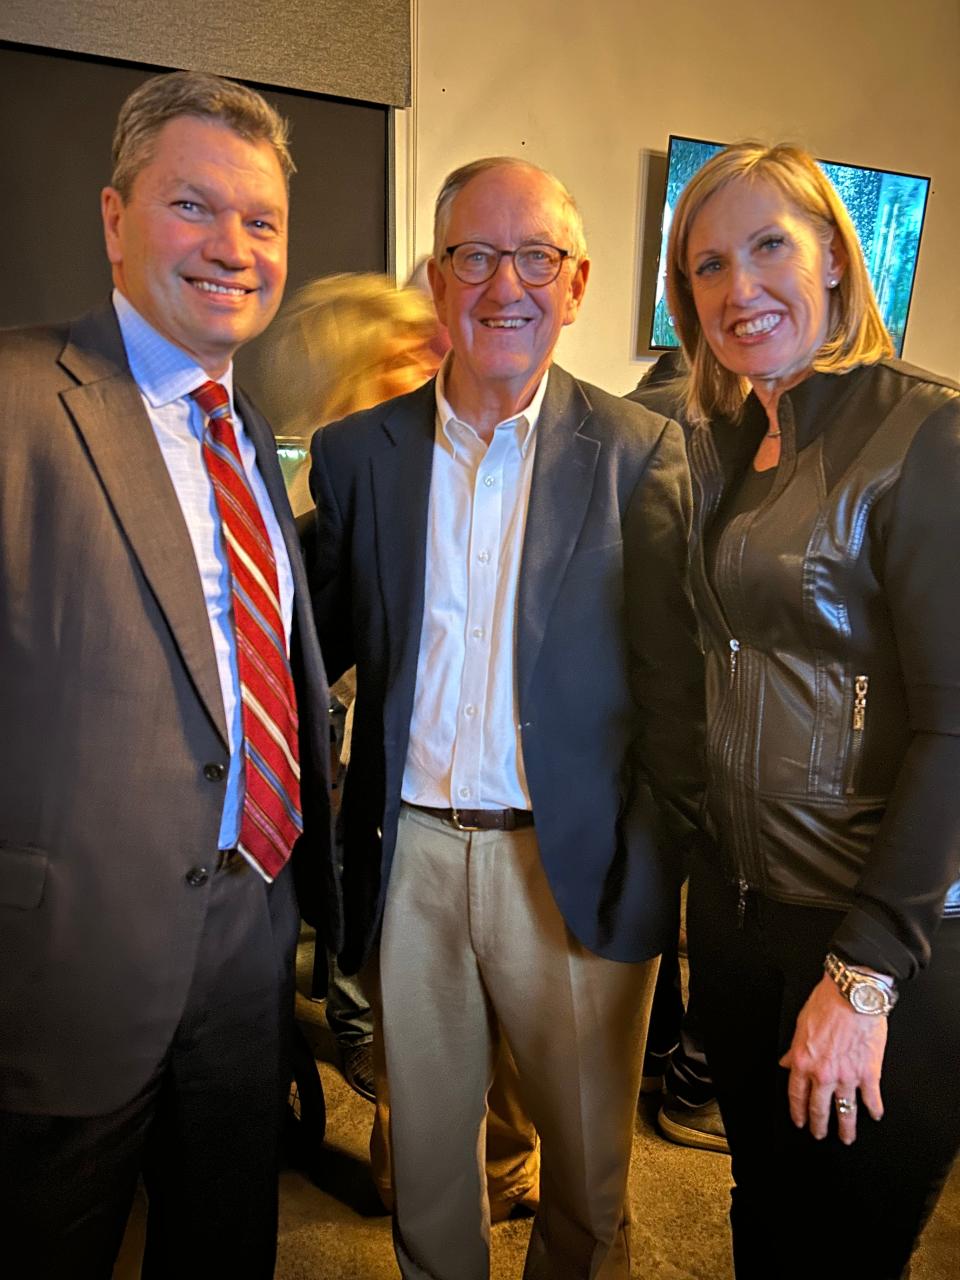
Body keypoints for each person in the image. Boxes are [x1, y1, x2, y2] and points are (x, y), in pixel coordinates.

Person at [306, 155, 705, 1279]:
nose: (504, 286)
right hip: (414, 859)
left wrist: (647, 869)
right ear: (438, 278)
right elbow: (308, 653)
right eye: (474, 256)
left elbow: (677, 700)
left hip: (570, 866)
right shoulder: (358, 456)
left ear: (575, 285)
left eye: (536, 258)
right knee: (430, 1175)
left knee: (588, 1187)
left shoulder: (644, 453)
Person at [0, 70, 339, 1279]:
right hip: (60, 968)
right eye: (195, 207)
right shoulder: (17, 398)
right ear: (113, 217)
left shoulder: (251, 436)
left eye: (262, 223)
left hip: (250, 943)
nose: (233, 248)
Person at [663, 140, 960, 1279]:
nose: (741, 289)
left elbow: (955, 725)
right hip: (742, 914)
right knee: (762, 1206)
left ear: (836, 257)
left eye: (770, 246)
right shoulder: (733, 437)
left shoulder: (924, 429)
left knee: (840, 1244)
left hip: (881, 935)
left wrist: (866, 973)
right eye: (708, 266)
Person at [260, 271, 541, 1217]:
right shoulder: (353, 473)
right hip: (391, 794)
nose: (429, 360)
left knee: (504, 1018)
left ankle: (507, 1168)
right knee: (408, 1021)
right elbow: (315, 644)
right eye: (403, 352)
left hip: (513, 799)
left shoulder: (511, 456)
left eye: (431, 344)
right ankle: (415, 1172)